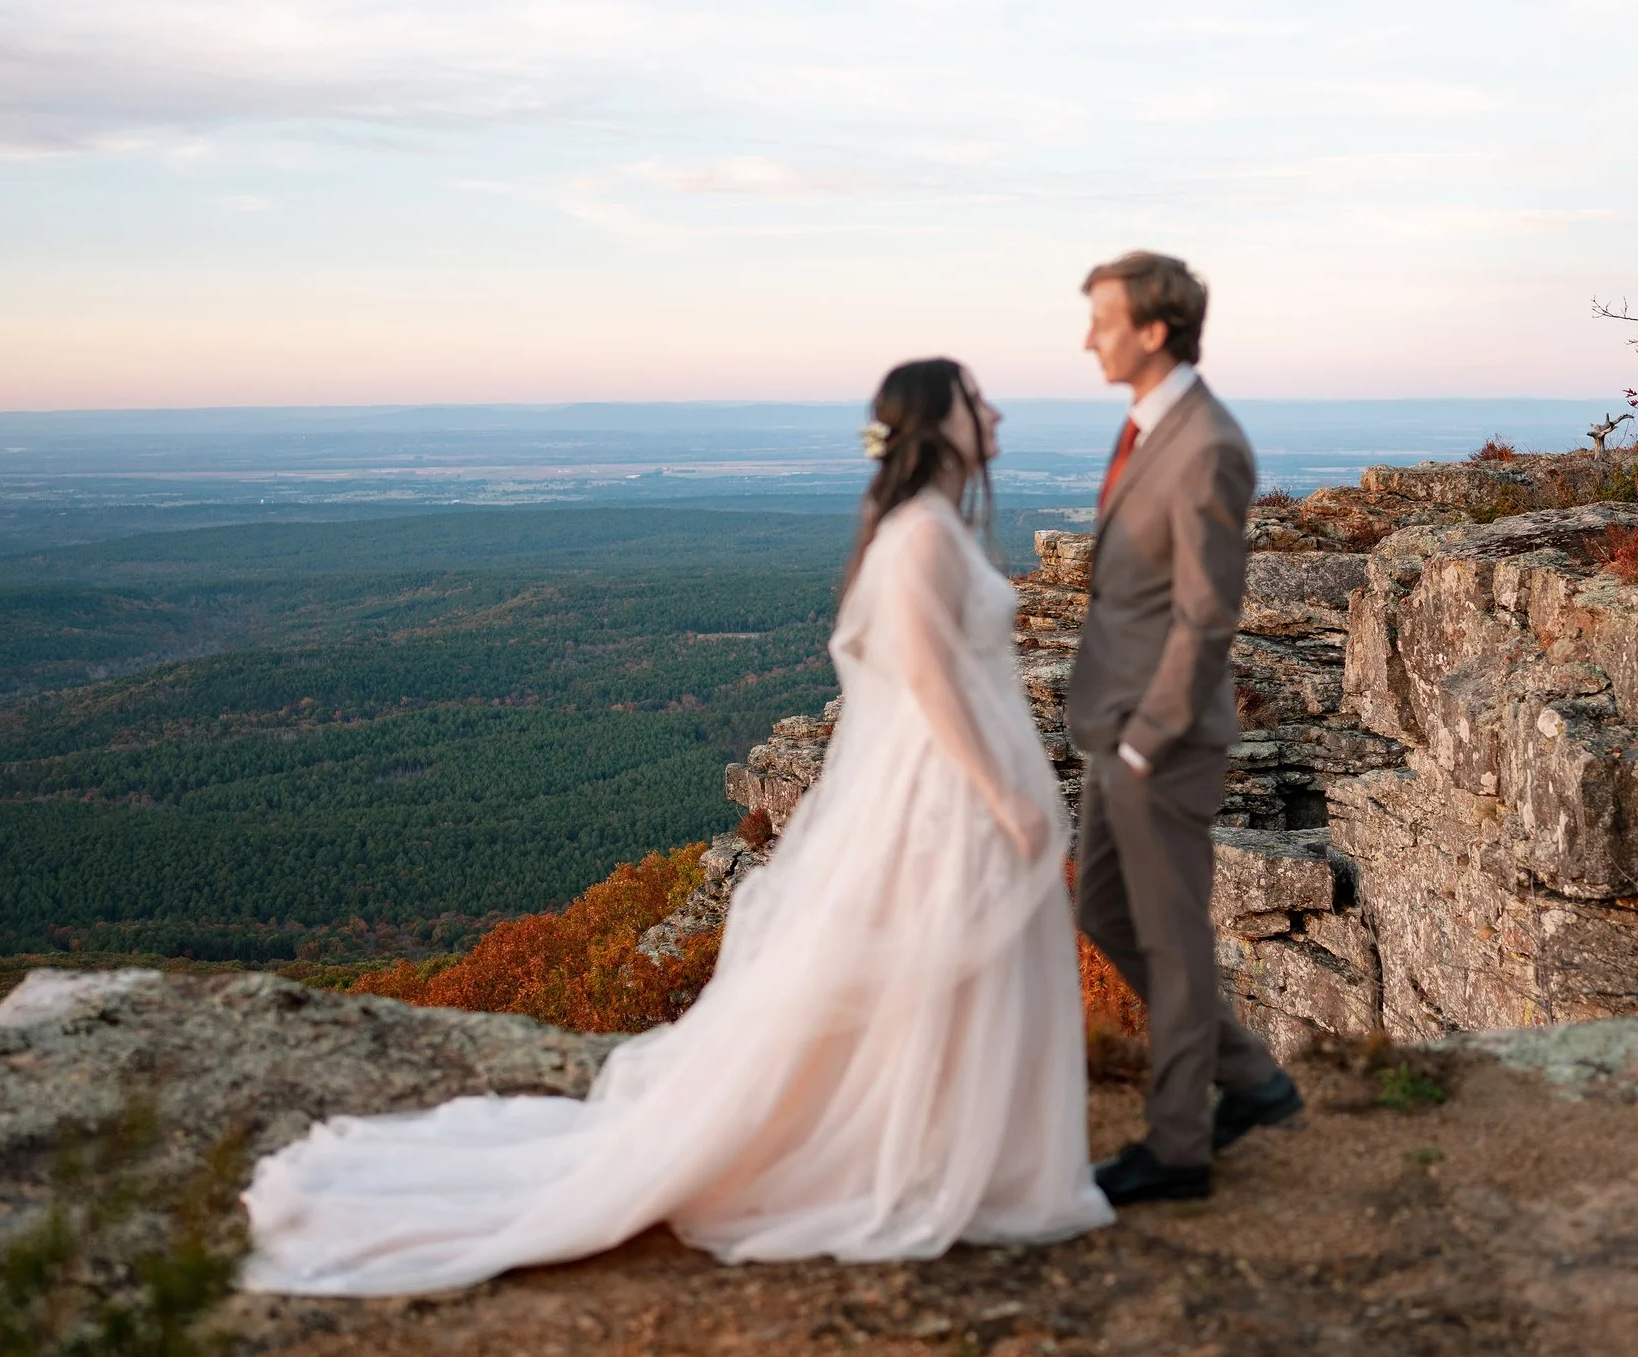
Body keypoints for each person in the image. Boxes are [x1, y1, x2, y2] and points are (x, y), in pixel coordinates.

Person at [239, 360, 1110, 1295]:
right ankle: (904, 1158)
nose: (997, 409)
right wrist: (1000, 792)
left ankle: (946, 1154)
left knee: (945, 969)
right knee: (931, 963)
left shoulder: (922, 528)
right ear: (938, 423)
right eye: (978, 400)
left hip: (946, 791)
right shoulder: (923, 535)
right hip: (939, 797)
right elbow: (930, 681)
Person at [1068, 251, 1304, 1207]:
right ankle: (1251, 1078)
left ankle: (1177, 1149)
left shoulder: (1205, 445)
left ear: (1155, 329)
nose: (1089, 336)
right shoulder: (1149, 429)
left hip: (1155, 739)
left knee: (1170, 940)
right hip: (1116, 727)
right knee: (1106, 915)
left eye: (1103, 319)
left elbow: (1208, 615)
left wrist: (1143, 739)